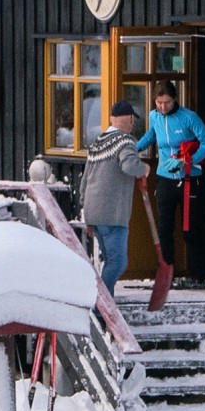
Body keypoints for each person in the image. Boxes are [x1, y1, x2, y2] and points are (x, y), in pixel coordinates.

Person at [135, 82, 205, 286]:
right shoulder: (154, 116)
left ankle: (198, 274)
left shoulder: (189, 117)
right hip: (165, 177)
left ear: (175, 99)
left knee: (191, 229)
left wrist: (189, 160)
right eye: (159, 103)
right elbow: (152, 134)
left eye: (167, 103)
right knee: (164, 228)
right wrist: (133, 148)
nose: (163, 107)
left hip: (190, 177)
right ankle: (166, 273)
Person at [80, 100, 146, 293]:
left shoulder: (97, 142)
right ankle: (101, 306)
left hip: (94, 212)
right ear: (131, 120)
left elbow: (85, 180)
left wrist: (87, 214)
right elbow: (130, 166)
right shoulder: (125, 141)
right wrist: (145, 168)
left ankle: (105, 305)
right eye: (133, 120)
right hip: (112, 214)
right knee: (117, 263)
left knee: (109, 261)